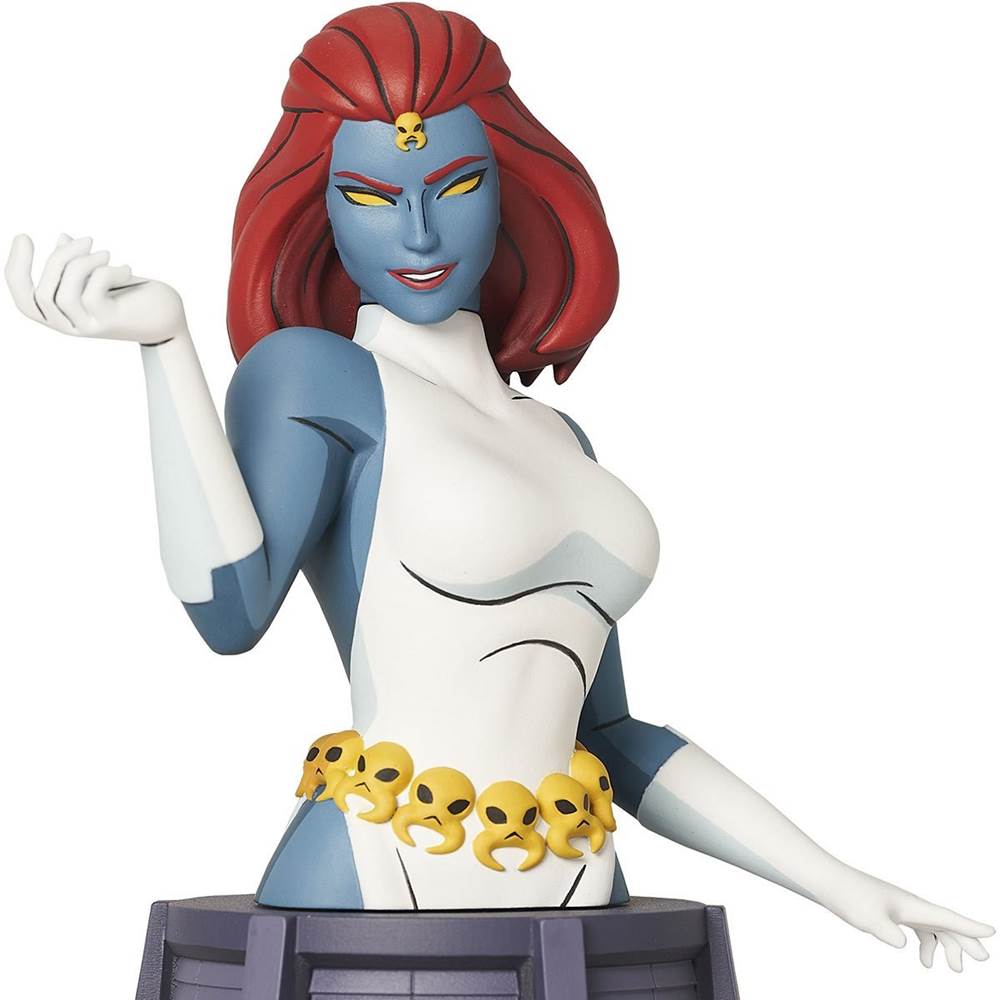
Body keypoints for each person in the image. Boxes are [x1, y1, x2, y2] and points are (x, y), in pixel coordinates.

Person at [5, 1, 992, 969]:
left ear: (511, 185)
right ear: (317, 211)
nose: (420, 233)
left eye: (458, 184)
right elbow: (228, 613)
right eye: (372, 197)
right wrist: (167, 348)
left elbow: (611, 735)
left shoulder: (561, 437)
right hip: (380, 874)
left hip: (584, 887)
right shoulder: (316, 378)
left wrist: (839, 882)